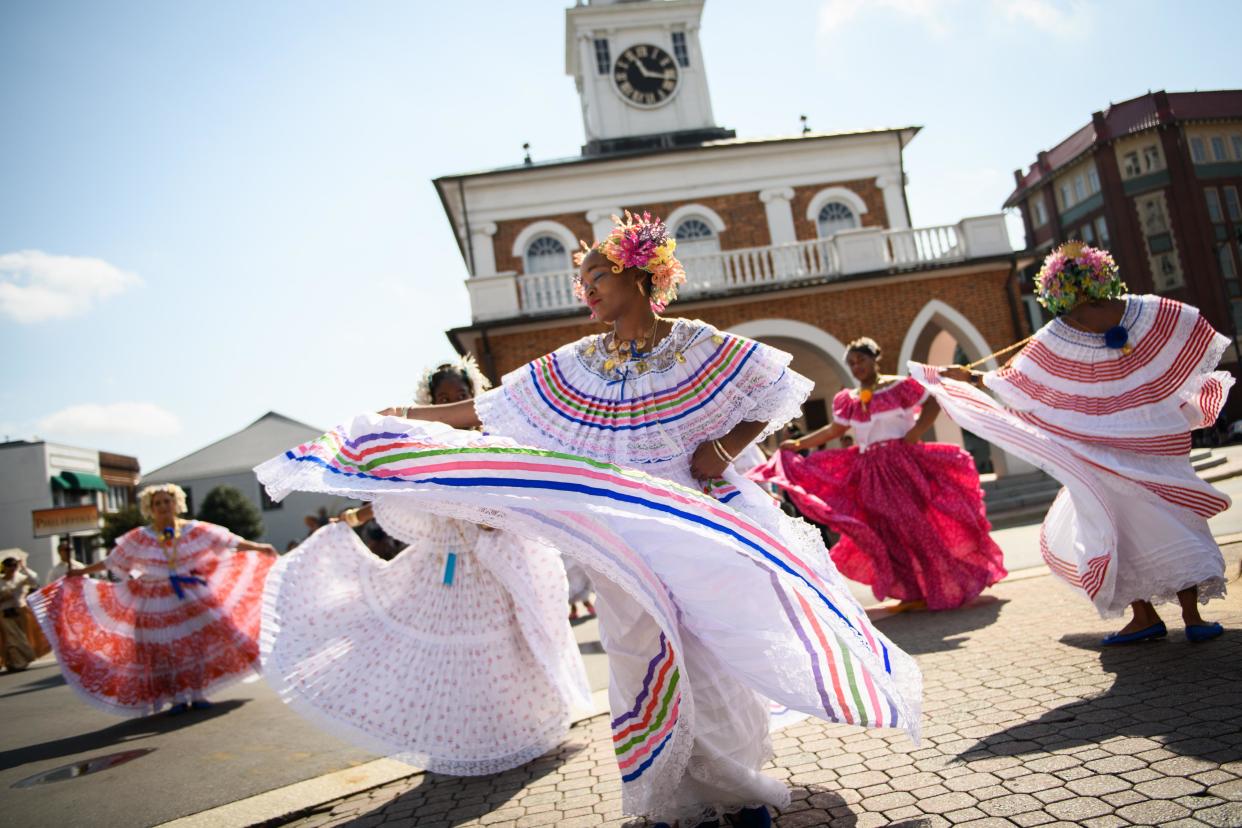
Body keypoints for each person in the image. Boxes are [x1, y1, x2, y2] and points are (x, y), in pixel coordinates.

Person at [261, 212, 922, 828]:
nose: (588, 292)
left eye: (597, 277)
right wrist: (400, 421)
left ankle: (734, 782)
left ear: (640, 274)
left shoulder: (694, 343)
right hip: (620, 536)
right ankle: (677, 790)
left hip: (695, 519)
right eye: (583, 283)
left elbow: (778, 388)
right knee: (638, 652)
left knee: (704, 649)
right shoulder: (579, 361)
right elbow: (486, 410)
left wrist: (720, 450)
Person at [259, 358, 593, 776]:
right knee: (453, 660)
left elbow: (507, 502)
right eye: (443, 398)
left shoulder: (491, 442)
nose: (452, 402)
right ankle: (459, 742)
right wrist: (354, 519)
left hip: (491, 566)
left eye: (459, 397)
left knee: (502, 652)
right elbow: (397, 489)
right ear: (430, 403)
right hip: (442, 569)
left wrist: (486, 510)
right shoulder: (423, 447)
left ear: (472, 398)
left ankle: (522, 735)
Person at [918, 241, 1233, 644]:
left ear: (1054, 289)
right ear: (1102, 275)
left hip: (1100, 450)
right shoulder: (1144, 309)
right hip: (1155, 435)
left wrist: (968, 378)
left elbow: (1016, 382)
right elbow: (1192, 329)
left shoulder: (1060, 332)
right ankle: (1193, 617)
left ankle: (1145, 616)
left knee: (1114, 529)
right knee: (1173, 519)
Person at [749, 337, 1007, 611]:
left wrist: (916, 432)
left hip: (903, 466)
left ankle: (944, 585)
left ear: (874, 358)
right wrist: (799, 444)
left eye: (861, 360)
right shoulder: (849, 400)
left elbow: (934, 399)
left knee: (916, 525)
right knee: (888, 532)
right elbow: (833, 431)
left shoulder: (900, 386)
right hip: (870, 472)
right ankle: (912, 593)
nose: (856, 366)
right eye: (852, 363)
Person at [28, 484, 277, 715]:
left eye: (167, 501)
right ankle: (178, 697)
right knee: (164, 648)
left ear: (176, 503)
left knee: (195, 644)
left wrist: (258, 547)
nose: (163, 506)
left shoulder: (194, 529)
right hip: (155, 598)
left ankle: (198, 693)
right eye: (157, 503)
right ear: (150, 507)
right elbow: (113, 561)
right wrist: (82, 572)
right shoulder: (139, 537)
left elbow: (228, 541)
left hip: (191, 595)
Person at [0, 556, 39, 672]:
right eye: (9, 566)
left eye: (14, 565)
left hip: (21, 611)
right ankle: (17, 663)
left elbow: (34, 581)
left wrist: (24, 567)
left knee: (24, 637)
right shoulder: (1, 581)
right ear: (5, 567)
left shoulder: (21, 578)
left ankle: (16, 661)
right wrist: (3, 597)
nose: (12, 568)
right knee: (13, 638)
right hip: (5, 613)